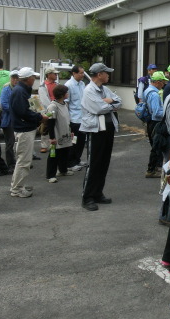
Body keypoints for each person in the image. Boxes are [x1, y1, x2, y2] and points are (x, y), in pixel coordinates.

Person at [80, 63, 121, 211]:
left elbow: (119, 100)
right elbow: (98, 108)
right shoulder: (89, 90)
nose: (108, 75)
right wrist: (110, 103)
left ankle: (98, 193)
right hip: (95, 130)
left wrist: (109, 102)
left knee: (104, 162)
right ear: (99, 75)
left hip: (108, 128)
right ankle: (87, 197)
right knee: (94, 163)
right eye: (106, 72)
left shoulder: (104, 89)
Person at [9, 67, 44, 198]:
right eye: (33, 77)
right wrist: (40, 117)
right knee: (24, 160)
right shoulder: (20, 91)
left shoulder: (21, 89)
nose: (34, 79)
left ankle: (18, 185)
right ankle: (17, 189)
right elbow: (23, 111)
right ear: (28, 78)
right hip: (23, 129)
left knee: (23, 159)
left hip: (24, 128)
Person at [45, 84, 74, 183]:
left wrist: (71, 131)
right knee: (54, 155)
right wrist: (52, 137)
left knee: (65, 152)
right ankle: (50, 175)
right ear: (62, 94)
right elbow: (50, 123)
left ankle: (63, 170)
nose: (67, 94)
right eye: (66, 92)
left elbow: (67, 119)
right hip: (57, 135)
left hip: (65, 133)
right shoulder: (53, 106)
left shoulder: (65, 104)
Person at [145, 71, 168, 178]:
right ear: (158, 82)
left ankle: (154, 168)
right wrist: (167, 112)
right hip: (155, 123)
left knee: (156, 146)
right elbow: (156, 112)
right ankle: (152, 170)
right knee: (156, 147)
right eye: (163, 82)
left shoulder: (148, 90)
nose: (164, 84)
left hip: (151, 122)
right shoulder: (154, 94)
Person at [65, 65, 87, 171]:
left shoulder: (82, 84)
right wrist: (68, 119)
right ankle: (70, 163)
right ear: (74, 73)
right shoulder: (68, 85)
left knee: (81, 141)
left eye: (83, 73)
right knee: (73, 141)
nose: (82, 75)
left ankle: (77, 160)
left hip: (82, 118)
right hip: (74, 119)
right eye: (80, 73)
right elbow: (66, 103)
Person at [0, 70, 20, 171]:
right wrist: (16, 110)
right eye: (13, 78)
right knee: (10, 143)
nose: (15, 80)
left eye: (17, 78)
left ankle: (18, 162)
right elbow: (4, 105)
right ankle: (11, 164)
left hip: (18, 119)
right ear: (10, 78)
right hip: (9, 120)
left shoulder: (20, 88)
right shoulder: (6, 89)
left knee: (20, 142)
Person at [38, 67, 59, 154]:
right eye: (54, 74)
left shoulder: (57, 84)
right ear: (49, 74)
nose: (56, 75)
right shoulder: (43, 86)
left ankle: (54, 145)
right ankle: (44, 145)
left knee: (55, 126)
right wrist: (50, 107)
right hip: (48, 109)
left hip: (57, 108)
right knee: (46, 127)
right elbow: (44, 100)